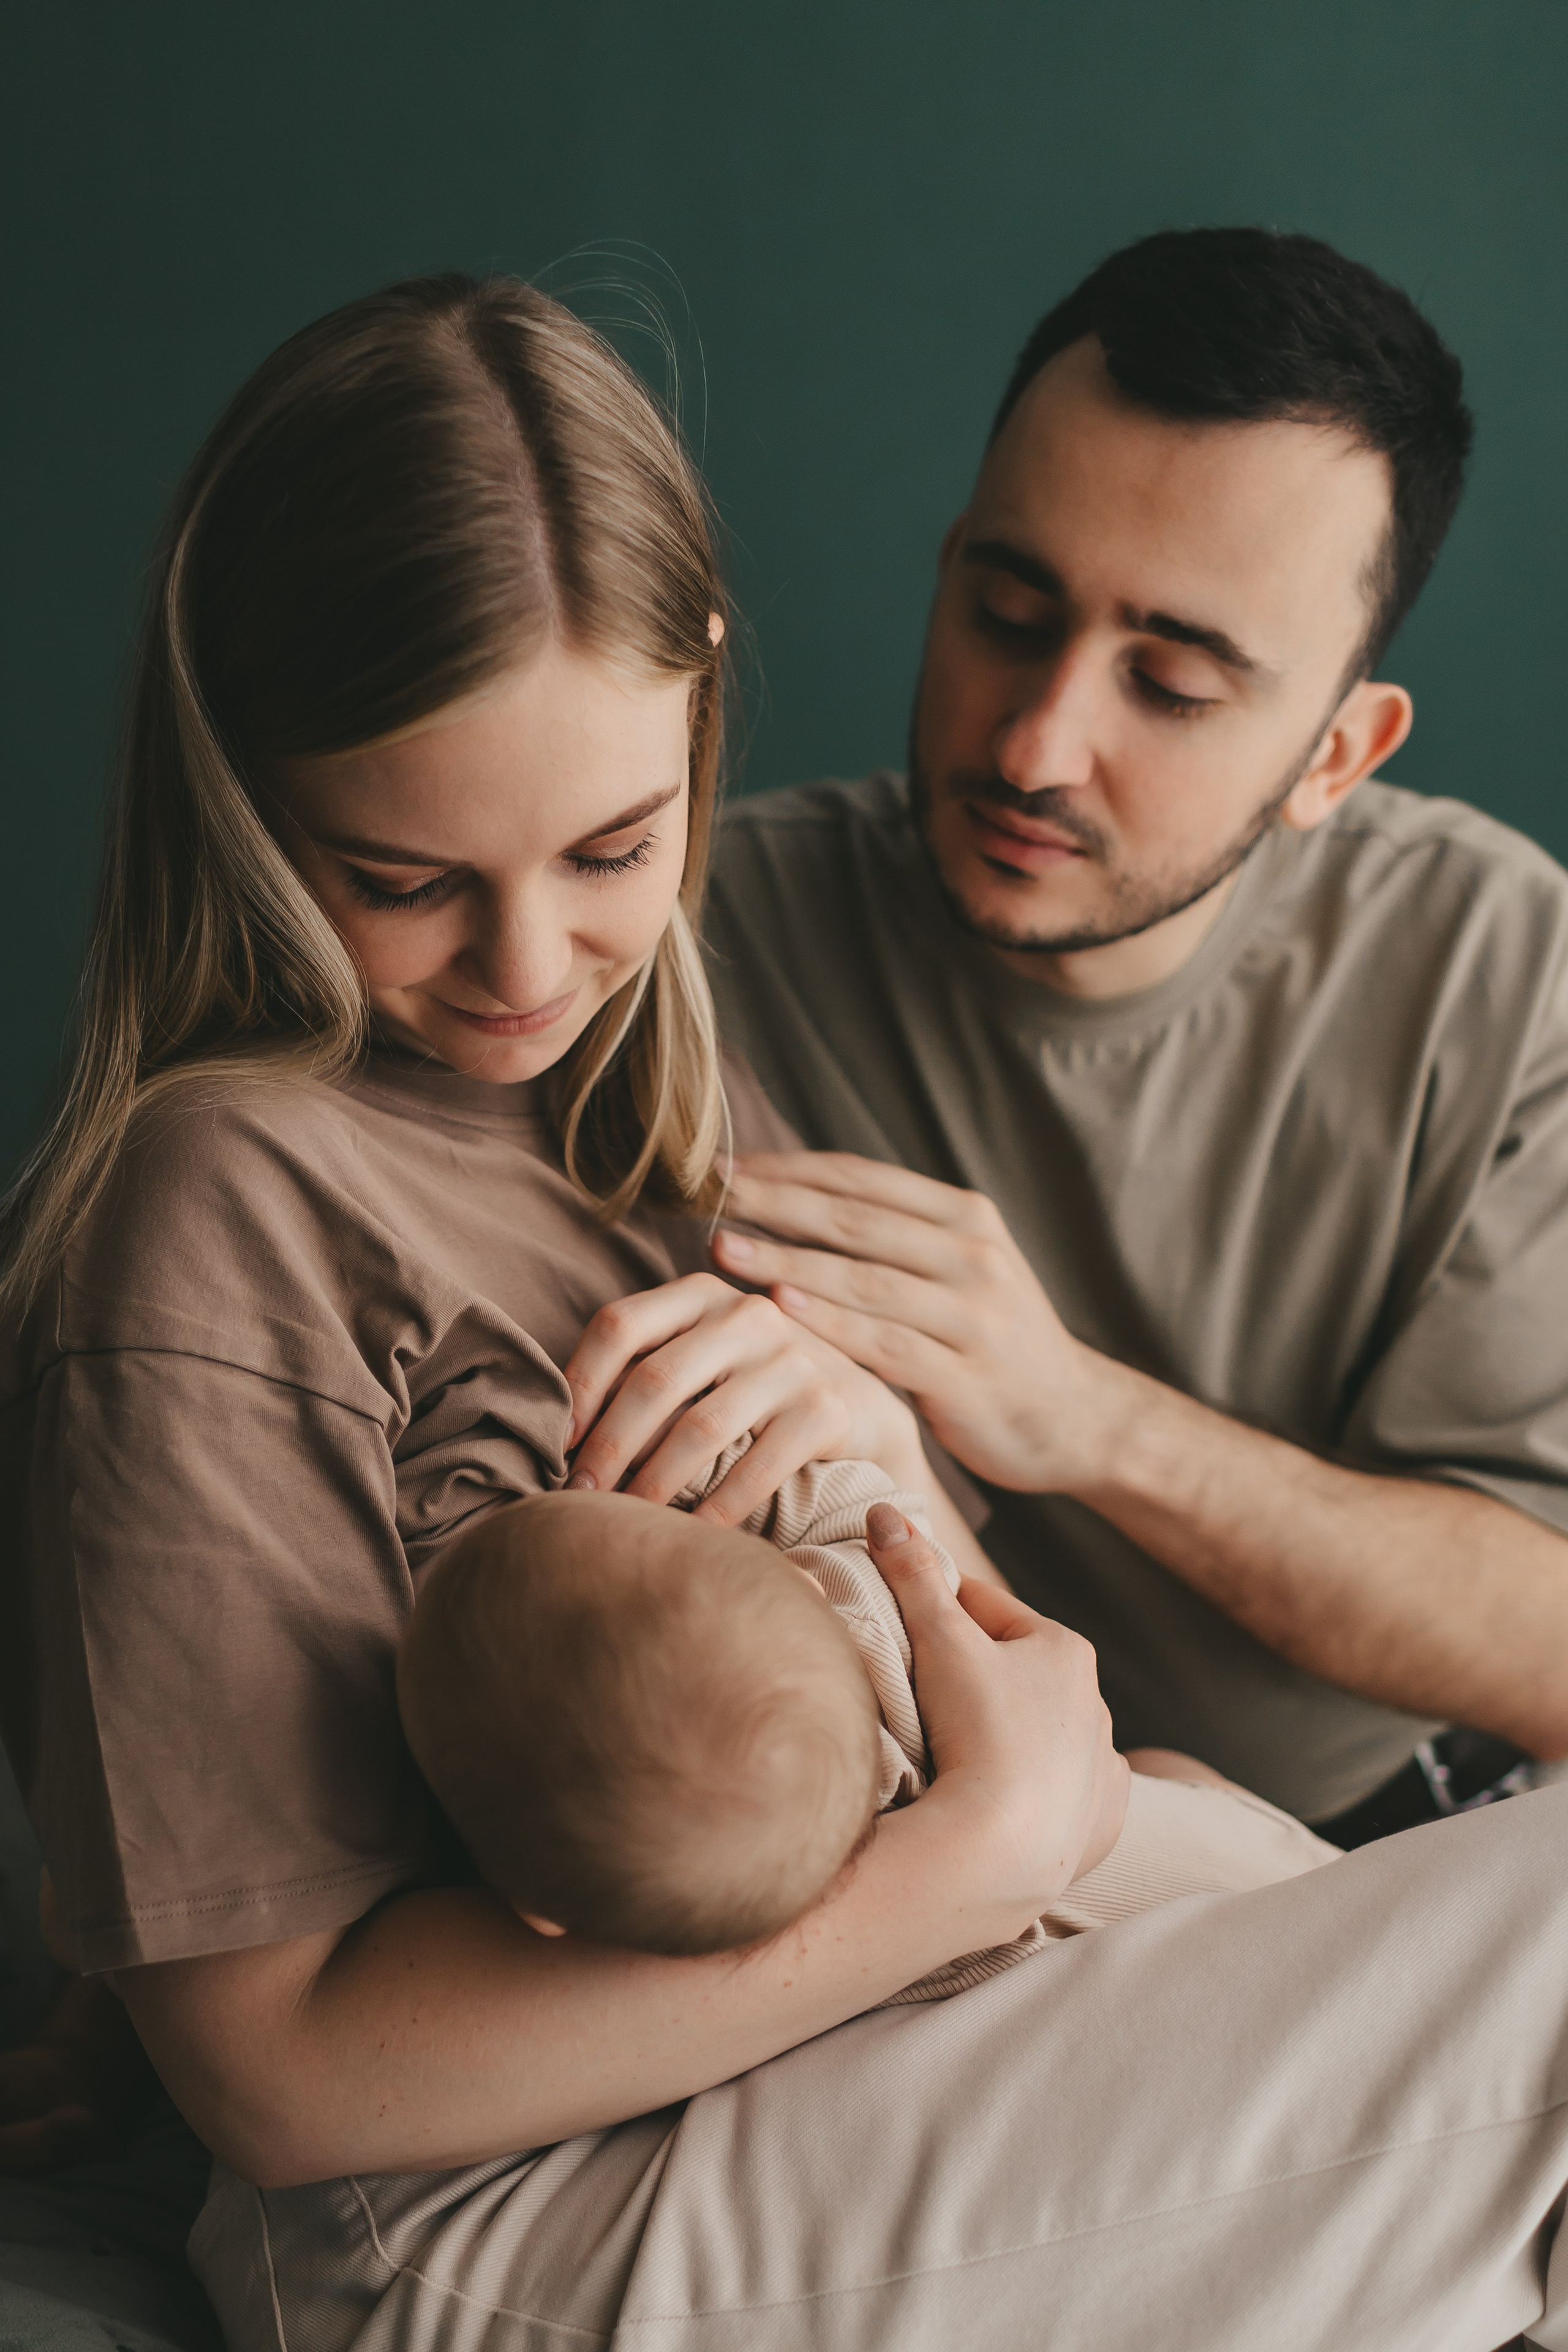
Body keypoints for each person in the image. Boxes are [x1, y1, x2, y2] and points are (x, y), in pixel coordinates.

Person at [6, 268, 1568, 2352]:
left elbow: (937, 1688)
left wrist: (916, 1484)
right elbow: (283, 2073)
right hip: (486, 2207)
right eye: (400, 879)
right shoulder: (227, 1197)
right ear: (246, 796)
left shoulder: (661, 1091)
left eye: (614, 845)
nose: (527, 964)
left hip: (845, 2042)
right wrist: (991, 1851)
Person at [701, 225, 1568, 1845]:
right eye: (1009, 612)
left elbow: (1551, 1648)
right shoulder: (680, 937)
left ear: (1337, 754)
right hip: (891, 1853)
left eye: (1170, 683)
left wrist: (1074, 1413)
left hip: (1395, 1836)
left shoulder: (1506, 972)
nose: (1037, 744)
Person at [398, 1476, 1334, 1983]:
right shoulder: (857, 1596)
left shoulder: (855, 1970)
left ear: (544, 1917)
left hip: (1174, 1929)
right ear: (798, 1581)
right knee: (1172, 1773)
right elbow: (864, 1505)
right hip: (1253, 1868)